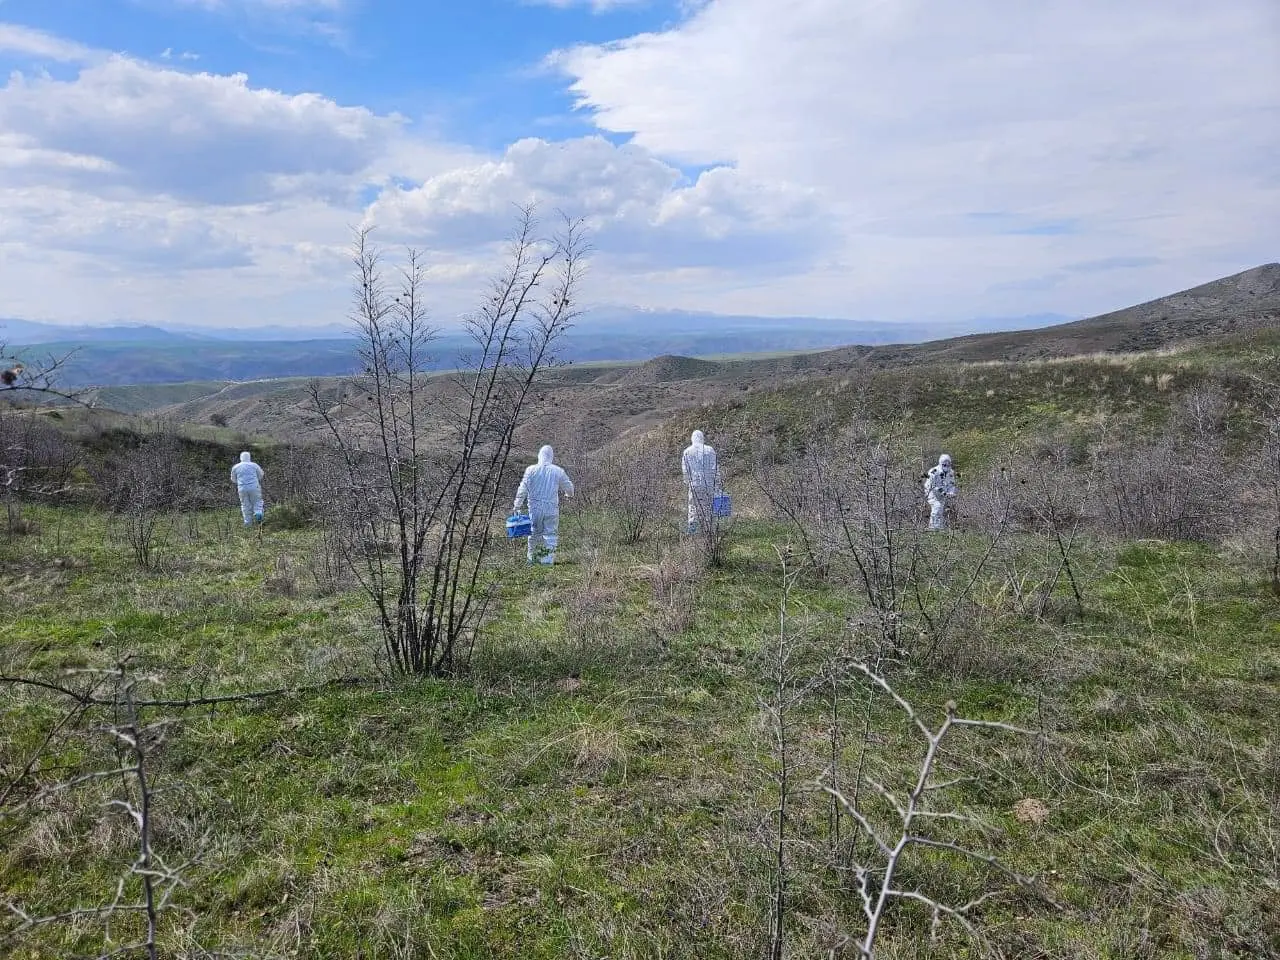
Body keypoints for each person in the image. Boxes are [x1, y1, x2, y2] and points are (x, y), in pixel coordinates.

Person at [513, 445, 574, 565]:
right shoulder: (558, 471)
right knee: (550, 534)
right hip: (551, 509)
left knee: (534, 534)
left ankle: (532, 560)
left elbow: (522, 489)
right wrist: (569, 495)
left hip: (534, 508)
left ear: (539, 456)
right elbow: (569, 487)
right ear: (551, 457)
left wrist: (517, 505)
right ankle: (547, 561)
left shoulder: (530, 470)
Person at [681, 429, 720, 534]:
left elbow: (685, 470)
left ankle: (693, 529)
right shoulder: (710, 450)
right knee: (708, 506)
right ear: (702, 438)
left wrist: (687, 481)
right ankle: (708, 530)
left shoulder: (687, 452)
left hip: (694, 484)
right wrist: (717, 482)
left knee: (693, 506)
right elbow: (715, 467)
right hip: (709, 484)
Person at [924, 453, 958, 530]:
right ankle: (933, 528)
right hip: (932, 494)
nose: (946, 465)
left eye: (948, 464)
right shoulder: (934, 471)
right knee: (937, 507)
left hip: (944, 494)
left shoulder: (951, 472)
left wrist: (951, 492)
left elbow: (952, 484)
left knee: (942, 509)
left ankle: (940, 527)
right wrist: (944, 493)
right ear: (940, 463)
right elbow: (933, 486)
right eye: (944, 464)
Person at [231, 451, 265, 527]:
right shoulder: (254, 465)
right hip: (254, 487)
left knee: (245, 505)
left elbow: (233, 479)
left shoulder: (236, 467)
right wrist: (255, 480)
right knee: (257, 502)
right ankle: (258, 513)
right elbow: (261, 475)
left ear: (241, 458)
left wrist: (240, 483)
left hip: (241, 488)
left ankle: (248, 524)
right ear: (249, 457)